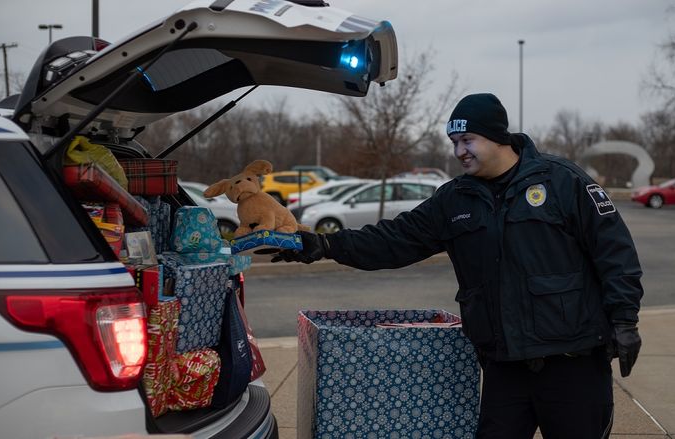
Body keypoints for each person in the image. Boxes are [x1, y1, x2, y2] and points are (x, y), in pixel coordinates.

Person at [272, 93, 643, 439]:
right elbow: (394, 239)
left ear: (498, 137)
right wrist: (324, 245)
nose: (459, 152)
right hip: (505, 368)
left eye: (468, 140)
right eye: (454, 143)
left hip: (572, 363)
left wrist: (624, 320)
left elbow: (614, 251)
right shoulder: (454, 200)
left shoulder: (562, 181)